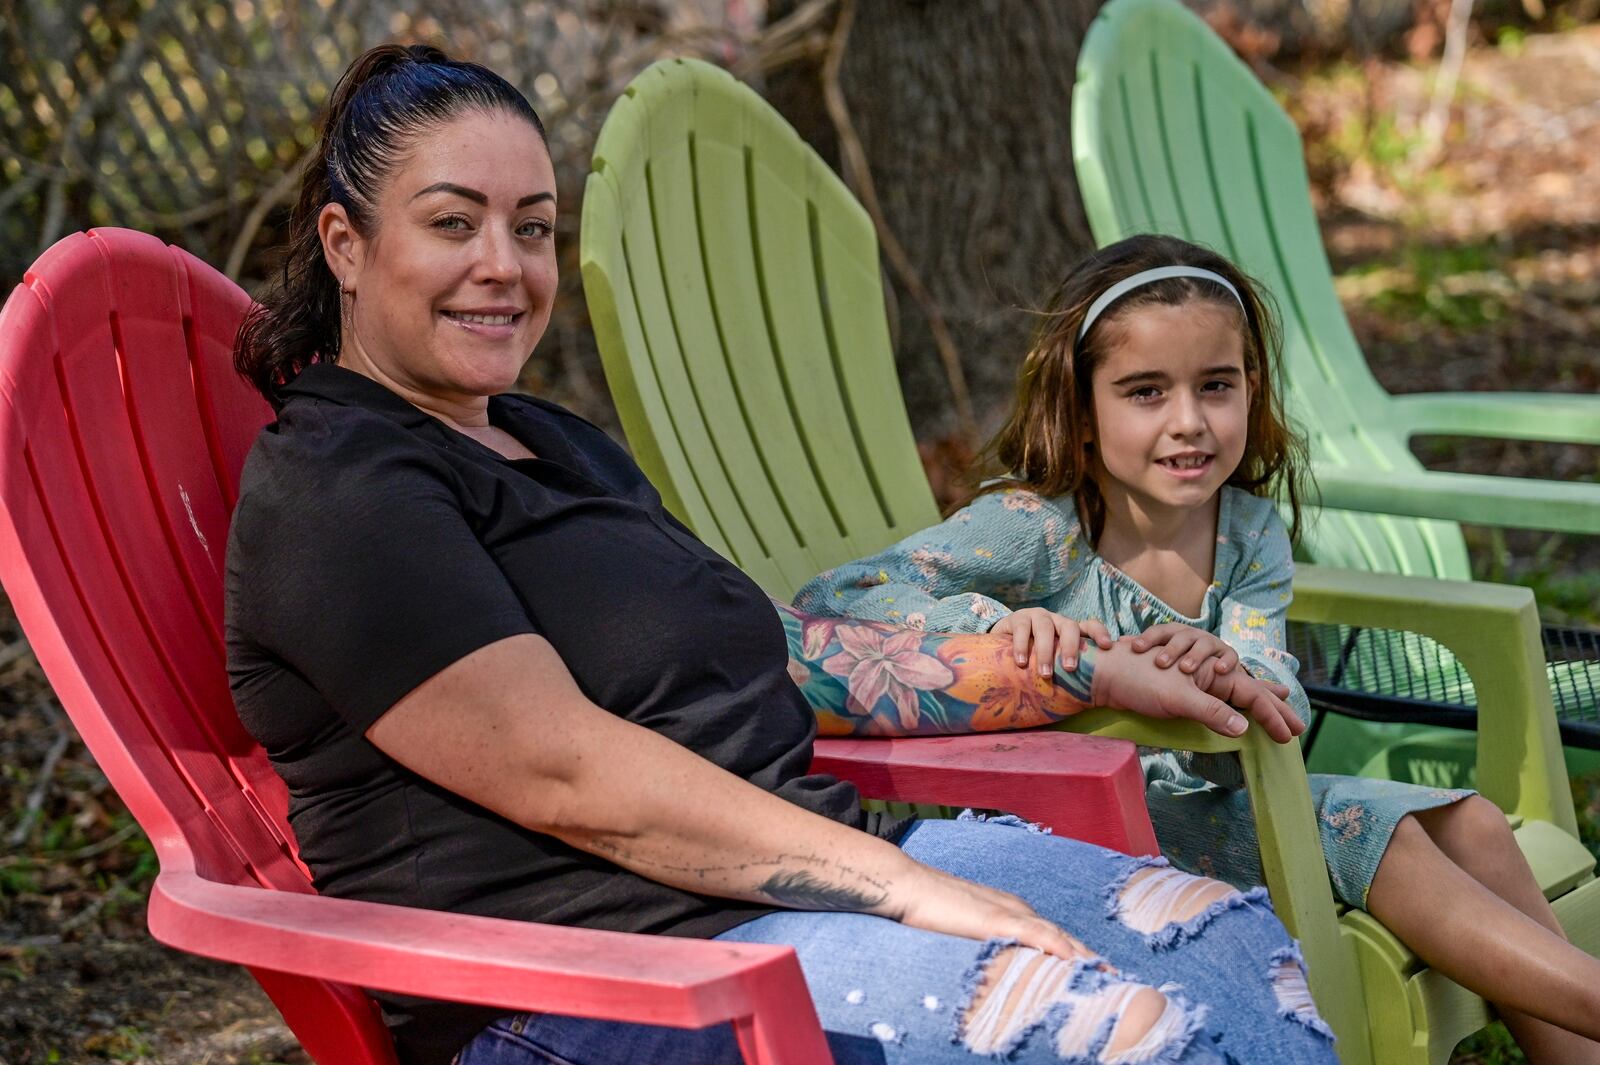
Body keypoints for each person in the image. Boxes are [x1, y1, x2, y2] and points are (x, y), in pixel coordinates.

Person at [223, 46, 1343, 1065]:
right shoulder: (338, 488)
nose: (505, 266)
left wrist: (1077, 669)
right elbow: (563, 773)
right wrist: (904, 887)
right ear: (346, 245)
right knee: (1125, 1038)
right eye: (453, 224)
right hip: (598, 980)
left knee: (1232, 950)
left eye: (530, 225)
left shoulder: (545, 440)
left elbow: (782, 653)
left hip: (802, 889)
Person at [794, 234, 1600, 1063]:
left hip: (1229, 798)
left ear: (1251, 390)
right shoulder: (1038, 528)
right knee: (1375, 833)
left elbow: (1270, 697)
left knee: (1473, 824)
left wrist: (1235, 674)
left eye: (1216, 385)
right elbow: (840, 598)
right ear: (1082, 408)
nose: (1189, 422)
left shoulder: (1248, 534)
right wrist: (991, 628)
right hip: (1089, 828)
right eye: (1145, 392)